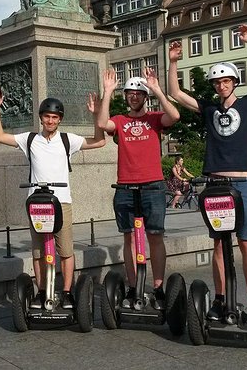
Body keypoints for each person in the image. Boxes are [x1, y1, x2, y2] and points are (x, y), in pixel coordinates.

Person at [167, 24, 247, 324]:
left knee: (246, 242)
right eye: (217, 82)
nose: (221, 85)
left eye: (226, 80)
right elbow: (176, 92)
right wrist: (174, 62)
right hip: (216, 183)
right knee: (218, 242)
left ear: (234, 82)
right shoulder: (208, 109)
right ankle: (219, 300)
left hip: (243, 181)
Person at [0, 89, 105, 309]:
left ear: (59, 120)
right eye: (47, 116)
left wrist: (95, 115)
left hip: (61, 202)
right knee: (39, 251)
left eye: (54, 117)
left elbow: (99, 142)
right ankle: (42, 291)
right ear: (41, 118)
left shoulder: (67, 140)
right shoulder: (30, 139)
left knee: (65, 250)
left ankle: (67, 292)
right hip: (37, 202)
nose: (50, 120)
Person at [97, 67, 180, 312]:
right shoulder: (121, 122)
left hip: (152, 185)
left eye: (138, 93)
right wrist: (108, 92)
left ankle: (158, 287)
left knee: (155, 236)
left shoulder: (154, 119)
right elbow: (102, 123)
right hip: (125, 186)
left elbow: (174, 116)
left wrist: (157, 90)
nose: (133, 96)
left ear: (145, 97)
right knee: (130, 238)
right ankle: (133, 287)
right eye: (129, 93)